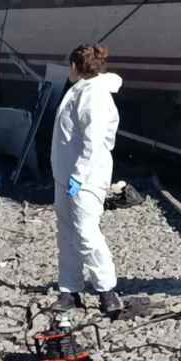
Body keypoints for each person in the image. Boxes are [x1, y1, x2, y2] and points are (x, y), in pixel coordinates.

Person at [50, 44, 124, 316]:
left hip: (85, 178)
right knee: (67, 234)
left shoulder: (94, 95)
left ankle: (107, 291)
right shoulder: (81, 90)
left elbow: (93, 143)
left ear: (74, 66)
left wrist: (79, 177)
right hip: (67, 176)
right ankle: (70, 290)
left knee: (86, 233)